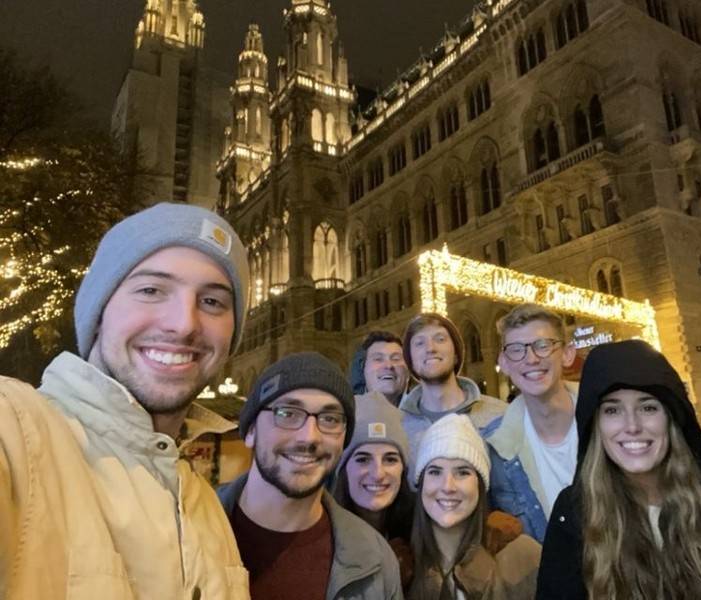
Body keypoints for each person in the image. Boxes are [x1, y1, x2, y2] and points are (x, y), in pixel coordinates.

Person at [0, 202, 251, 598]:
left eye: (212, 302)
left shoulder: (205, 507)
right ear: (99, 312)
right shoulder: (15, 430)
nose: (184, 323)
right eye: (151, 290)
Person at [537, 339, 701, 600]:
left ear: (671, 417)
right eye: (612, 410)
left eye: (648, 407)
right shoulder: (575, 513)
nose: (631, 425)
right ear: (595, 425)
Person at [217, 352, 402, 600]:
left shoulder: (375, 560)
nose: (309, 437)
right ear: (250, 431)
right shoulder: (187, 529)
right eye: (288, 413)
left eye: (330, 419)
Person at [408, 413, 541, 600]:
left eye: (462, 472)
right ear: (421, 484)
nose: (447, 486)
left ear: (480, 484)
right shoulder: (401, 568)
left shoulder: (524, 557)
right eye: (435, 472)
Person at [486, 304, 578, 542]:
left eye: (543, 346)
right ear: (504, 363)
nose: (531, 359)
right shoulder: (493, 449)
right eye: (516, 350)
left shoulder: (608, 425)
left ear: (567, 353)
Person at [399, 313, 506, 474]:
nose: (430, 348)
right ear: (411, 362)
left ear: (456, 355)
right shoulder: (399, 426)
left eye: (440, 339)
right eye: (420, 343)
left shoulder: (500, 415)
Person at [331, 390, 415, 586]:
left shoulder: (421, 533)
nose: (377, 473)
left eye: (390, 459)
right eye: (362, 459)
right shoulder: (322, 537)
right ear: (344, 469)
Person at [348, 330, 410, 405]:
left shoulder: (425, 412)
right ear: (363, 368)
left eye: (396, 359)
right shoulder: (346, 412)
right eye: (378, 359)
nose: (389, 365)